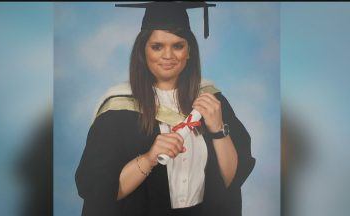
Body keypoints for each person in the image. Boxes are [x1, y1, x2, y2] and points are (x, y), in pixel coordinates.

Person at [75, 2, 255, 216]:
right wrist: (149, 158)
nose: (168, 55)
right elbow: (99, 191)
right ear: (143, 51)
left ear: (189, 52)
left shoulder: (210, 99)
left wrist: (218, 130)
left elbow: (229, 181)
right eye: (157, 46)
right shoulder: (118, 109)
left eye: (178, 46)